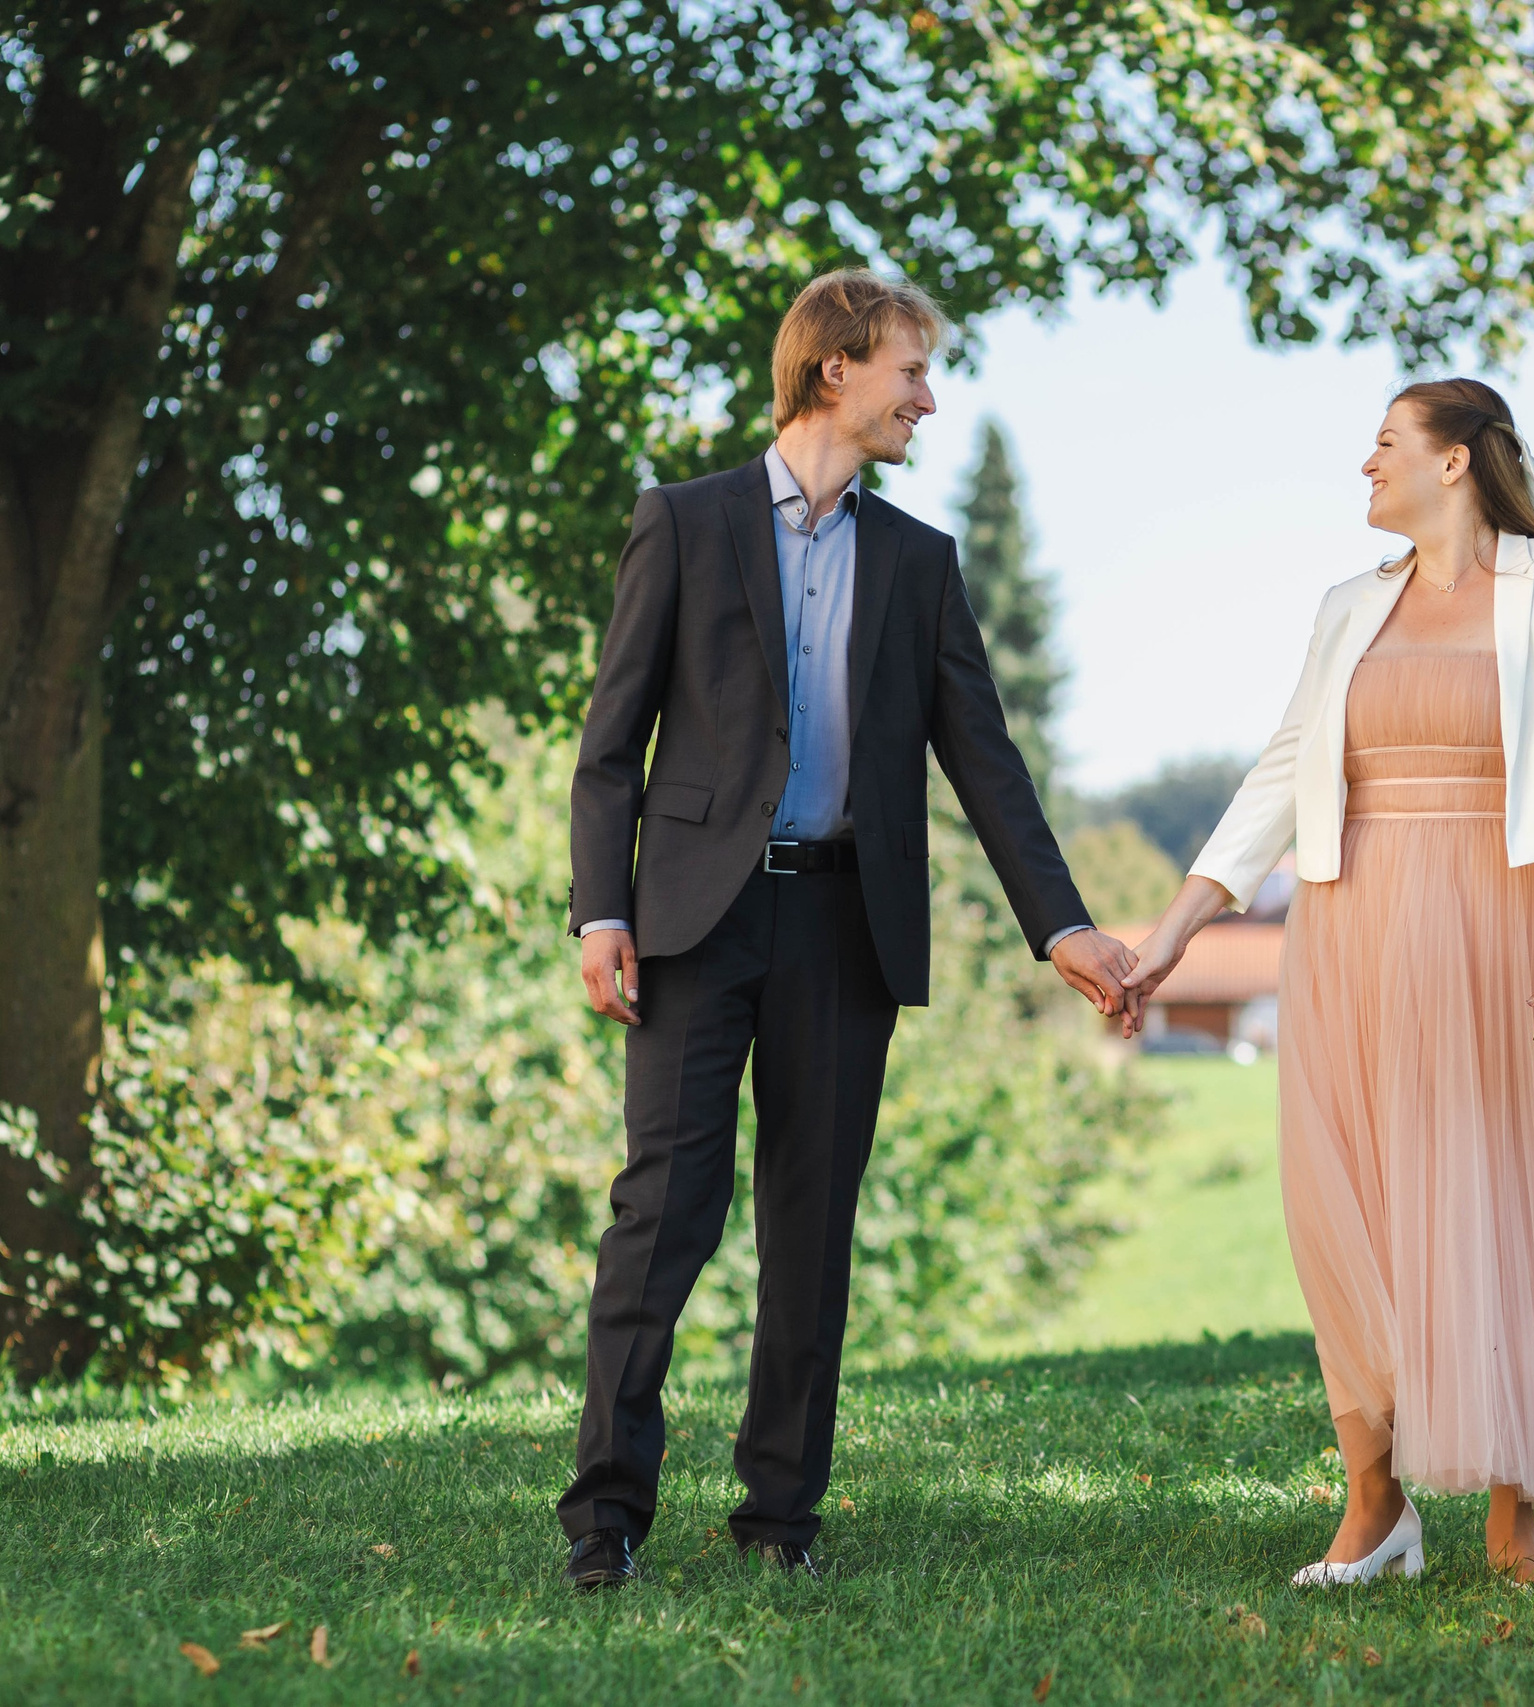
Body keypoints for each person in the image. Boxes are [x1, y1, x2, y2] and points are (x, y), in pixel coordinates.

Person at [557, 269, 1139, 1588]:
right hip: (695, 925)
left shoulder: (919, 562)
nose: (927, 401)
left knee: (814, 1230)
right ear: (837, 369)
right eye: (913, 373)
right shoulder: (686, 521)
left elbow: (986, 759)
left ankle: (780, 1519)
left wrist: (1065, 930)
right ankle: (605, 1518)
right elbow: (611, 746)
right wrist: (604, 909)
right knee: (664, 1216)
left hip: (843, 927)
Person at [1125, 379, 1534, 1589]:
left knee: (1506, 1204)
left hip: (1509, 919)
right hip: (1351, 923)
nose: (1365, 466)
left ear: (1455, 462)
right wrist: (1179, 926)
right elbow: (1285, 768)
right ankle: (1374, 1505)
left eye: (1386, 443)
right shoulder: (1348, 606)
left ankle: (1514, 1507)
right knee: (1347, 1205)